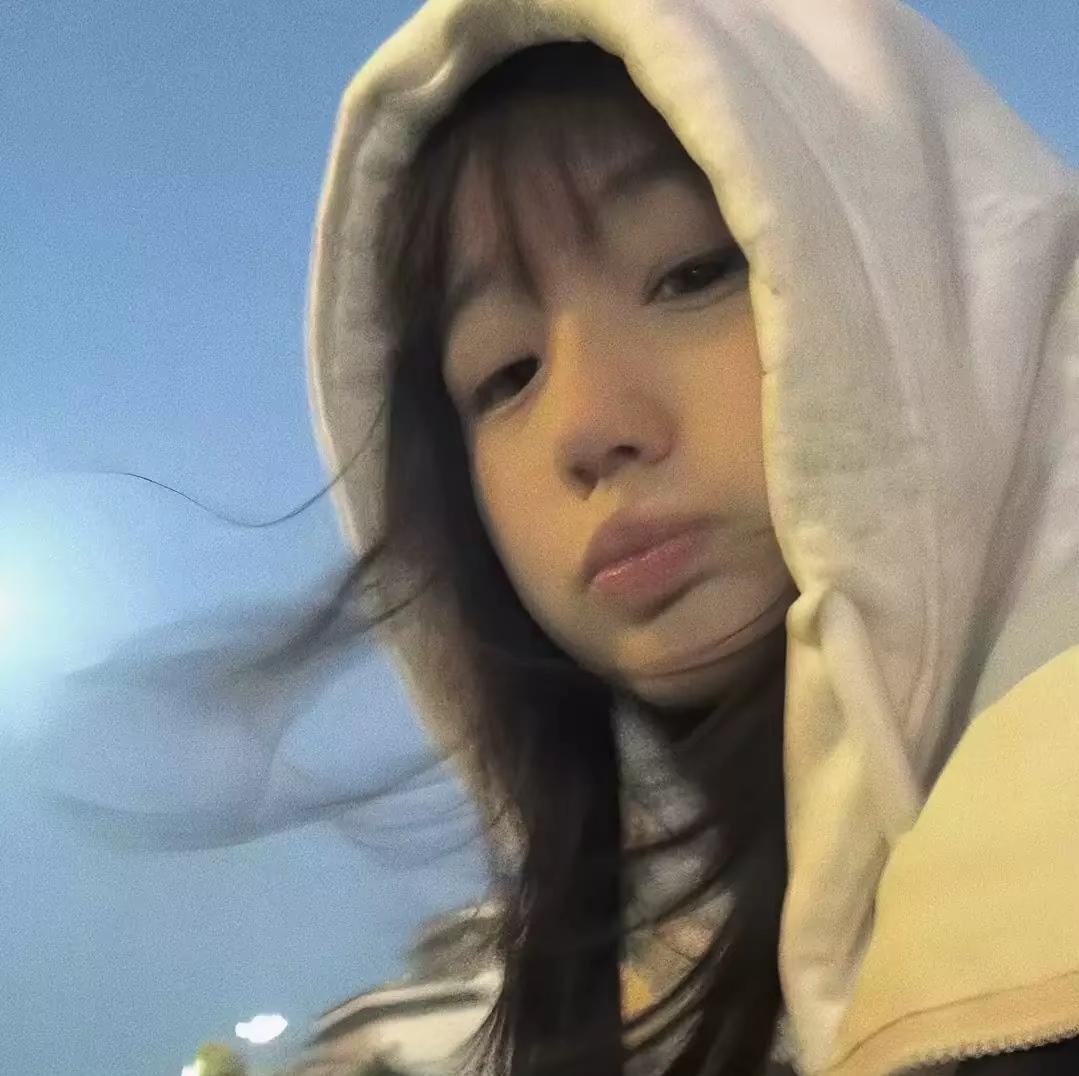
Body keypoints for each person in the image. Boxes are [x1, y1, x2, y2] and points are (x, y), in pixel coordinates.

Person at [52, 0, 1076, 1074]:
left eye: (690, 274)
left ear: (932, 268)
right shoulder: (622, 976)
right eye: (504, 374)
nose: (586, 426)